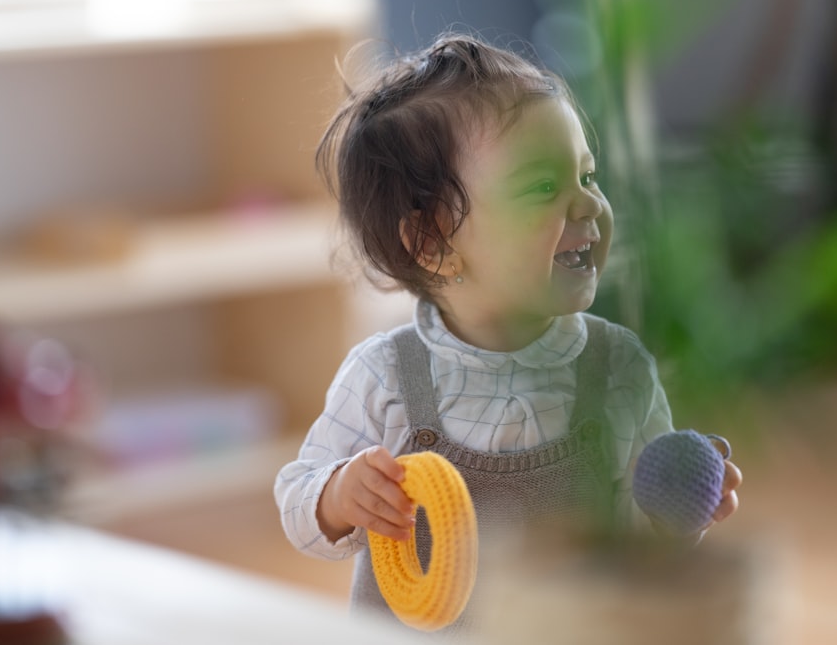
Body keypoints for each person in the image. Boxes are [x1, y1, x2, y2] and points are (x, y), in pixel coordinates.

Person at [274, 32, 742, 634]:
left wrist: (680, 506)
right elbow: (296, 499)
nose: (587, 205)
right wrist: (338, 495)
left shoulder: (618, 369)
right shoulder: (384, 376)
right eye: (544, 187)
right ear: (434, 243)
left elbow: (637, 543)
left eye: (588, 176)